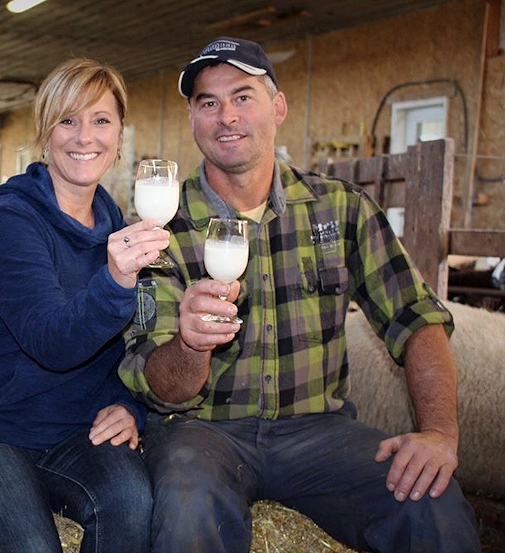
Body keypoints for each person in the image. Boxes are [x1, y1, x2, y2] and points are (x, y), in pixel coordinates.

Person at [118, 37, 482, 552]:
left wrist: (440, 434)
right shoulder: (160, 231)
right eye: (208, 102)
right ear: (193, 118)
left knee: (433, 505)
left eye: (243, 97)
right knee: (186, 506)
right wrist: (189, 345)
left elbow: (417, 317)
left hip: (320, 432)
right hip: (203, 433)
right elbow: (158, 386)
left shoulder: (342, 208)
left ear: (279, 107)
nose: (226, 116)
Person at [0, 58, 166, 553]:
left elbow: (131, 338)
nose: (84, 137)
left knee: (132, 503)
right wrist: (115, 281)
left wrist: (130, 406)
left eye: (101, 120)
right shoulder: (8, 222)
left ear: (120, 134)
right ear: (45, 132)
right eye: (67, 120)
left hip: (72, 431)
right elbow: (52, 342)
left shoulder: (117, 225)